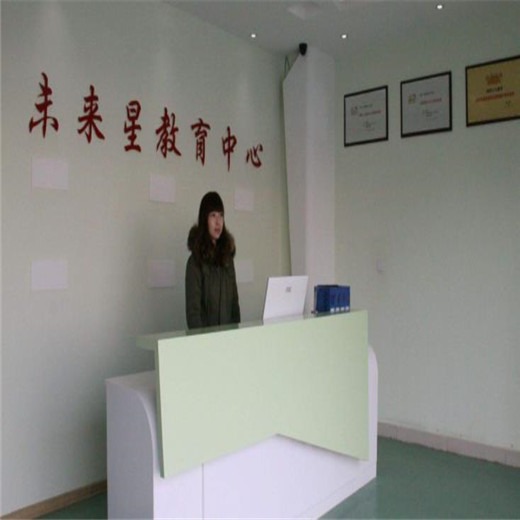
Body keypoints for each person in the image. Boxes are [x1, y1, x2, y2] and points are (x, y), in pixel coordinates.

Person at [185, 191, 241, 329]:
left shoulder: (227, 260)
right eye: (213, 215)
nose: (218, 222)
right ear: (204, 219)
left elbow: (234, 305)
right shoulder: (195, 262)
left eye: (221, 215)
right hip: (205, 340)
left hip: (229, 338)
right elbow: (193, 314)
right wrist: (204, 340)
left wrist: (236, 335)